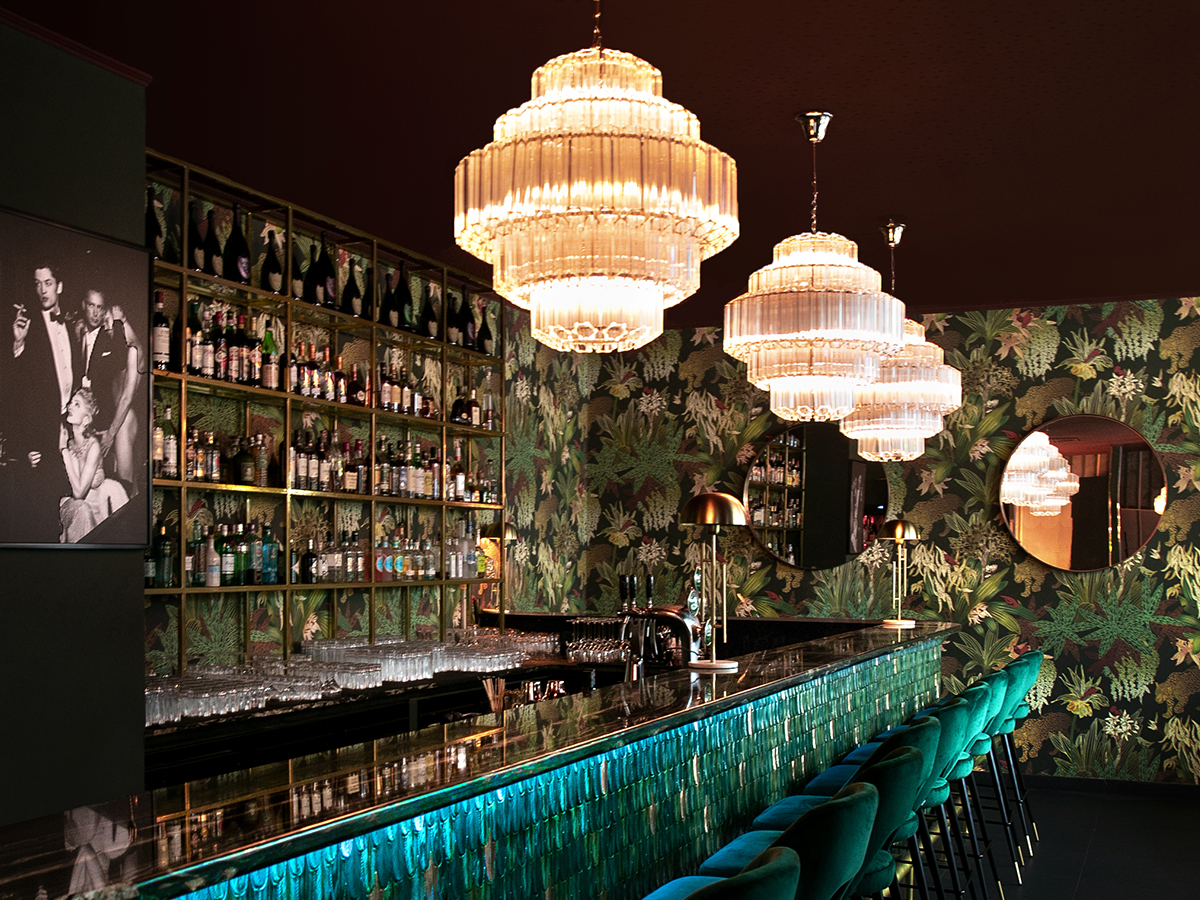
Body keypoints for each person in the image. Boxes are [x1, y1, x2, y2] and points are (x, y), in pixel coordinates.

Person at [2, 265, 79, 541]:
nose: (43, 290)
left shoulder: (70, 325)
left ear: (59, 286)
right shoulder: (26, 325)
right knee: (42, 515)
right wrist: (18, 344)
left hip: (70, 432)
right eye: (37, 284)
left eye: (48, 283)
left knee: (69, 512)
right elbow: (17, 390)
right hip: (41, 436)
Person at [75, 289, 143, 493]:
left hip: (124, 420)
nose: (107, 326)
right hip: (113, 419)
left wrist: (111, 434)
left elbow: (126, 399)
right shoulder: (119, 350)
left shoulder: (134, 350)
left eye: (112, 321)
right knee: (115, 486)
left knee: (125, 484)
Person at [58, 387, 129, 542]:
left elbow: (79, 493)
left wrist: (64, 452)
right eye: (71, 403)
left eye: (77, 404)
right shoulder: (67, 441)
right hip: (71, 508)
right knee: (81, 509)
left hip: (95, 509)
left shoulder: (92, 446)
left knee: (86, 506)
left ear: (86, 419)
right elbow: (72, 496)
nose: (70, 406)